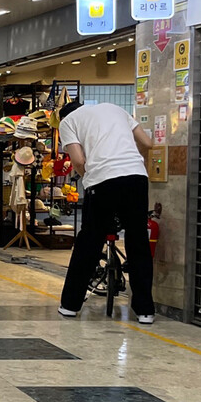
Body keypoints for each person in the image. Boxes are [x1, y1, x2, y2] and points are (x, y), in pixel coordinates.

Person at [58, 101, 155, 324]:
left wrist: (88, 176)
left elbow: (78, 160)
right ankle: (145, 311)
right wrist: (132, 160)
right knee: (138, 241)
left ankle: (70, 305)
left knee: (89, 241)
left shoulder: (68, 122)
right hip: (136, 178)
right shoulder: (115, 108)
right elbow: (147, 143)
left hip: (103, 181)